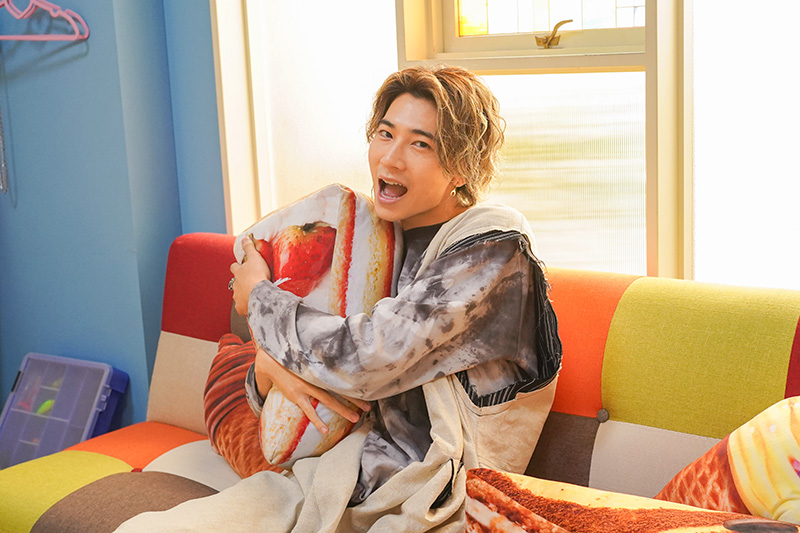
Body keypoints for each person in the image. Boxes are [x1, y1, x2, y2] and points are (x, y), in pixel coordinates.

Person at [117, 65, 561, 532]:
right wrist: (266, 368)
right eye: (385, 134)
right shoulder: (375, 242)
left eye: (420, 144)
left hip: (433, 497)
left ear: (462, 166)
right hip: (337, 476)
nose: (391, 158)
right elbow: (302, 372)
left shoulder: (494, 245)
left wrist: (259, 300)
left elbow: (368, 357)